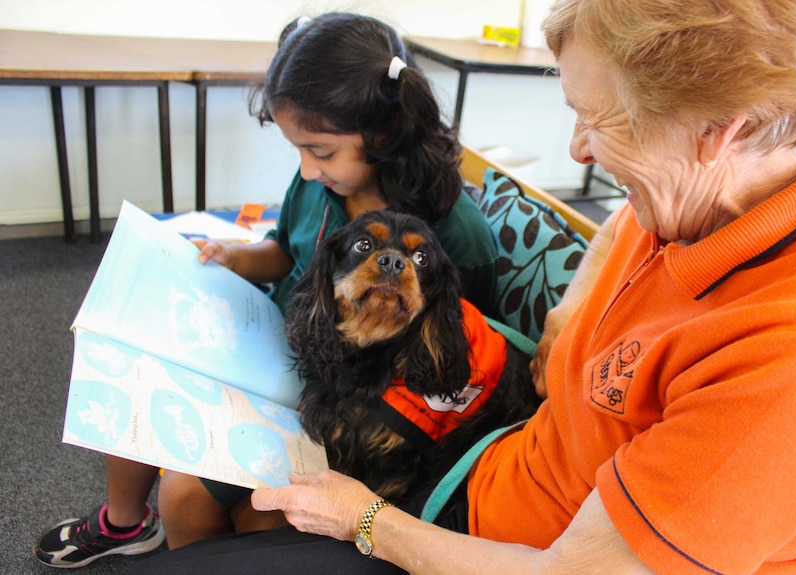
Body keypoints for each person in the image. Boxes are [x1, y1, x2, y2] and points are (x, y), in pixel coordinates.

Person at [126, 0, 796, 573]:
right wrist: (569, 311)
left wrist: (368, 519)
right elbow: (619, 231)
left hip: (479, 536)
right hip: (485, 464)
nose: (577, 149)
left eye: (598, 119)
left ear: (718, 131)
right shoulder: (708, 194)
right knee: (210, 512)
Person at [33, 12, 500, 567]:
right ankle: (126, 524)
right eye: (297, 150)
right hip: (275, 352)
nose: (305, 170)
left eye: (320, 152)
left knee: (194, 496)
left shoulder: (451, 233)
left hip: (349, 409)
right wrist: (236, 257)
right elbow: (284, 248)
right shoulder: (321, 186)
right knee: (145, 359)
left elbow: (461, 354)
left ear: (382, 135)